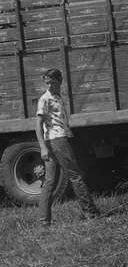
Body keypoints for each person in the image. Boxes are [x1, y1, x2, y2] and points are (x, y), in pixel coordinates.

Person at [35, 68, 100, 225]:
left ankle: (44, 220)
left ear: (60, 81)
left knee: (50, 181)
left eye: (52, 82)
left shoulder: (58, 97)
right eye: (47, 83)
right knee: (75, 175)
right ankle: (90, 212)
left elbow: (59, 120)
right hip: (56, 140)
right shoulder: (46, 99)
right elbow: (38, 124)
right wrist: (43, 147)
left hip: (58, 138)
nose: (49, 86)